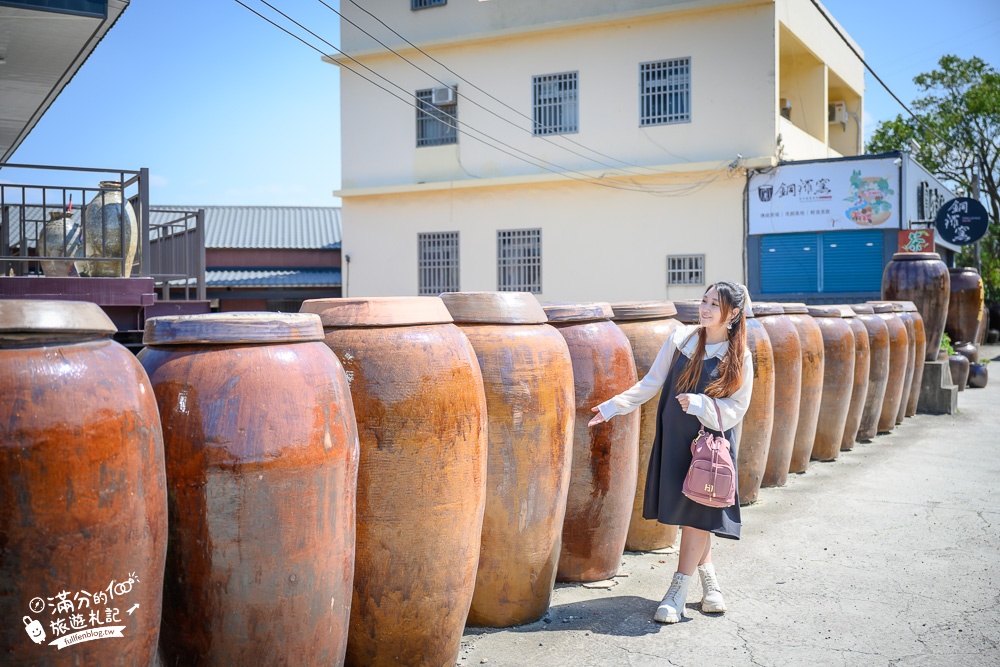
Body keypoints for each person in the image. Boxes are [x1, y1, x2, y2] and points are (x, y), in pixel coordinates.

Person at [588, 281, 753, 623]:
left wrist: (701, 404)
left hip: (710, 446)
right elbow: (651, 382)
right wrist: (613, 407)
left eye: (714, 304)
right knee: (695, 513)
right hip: (676, 439)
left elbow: (738, 408)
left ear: (733, 314)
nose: (704, 308)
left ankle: (677, 591)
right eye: (704, 300)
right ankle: (710, 583)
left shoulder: (740, 356)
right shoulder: (682, 339)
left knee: (698, 513)